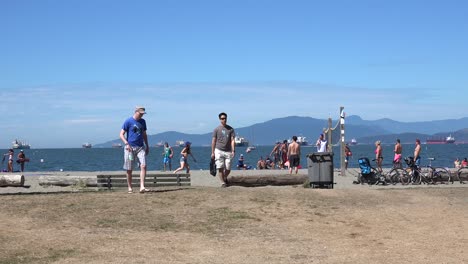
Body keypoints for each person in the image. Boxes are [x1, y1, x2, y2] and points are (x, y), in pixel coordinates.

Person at [119, 106, 150, 194]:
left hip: (141, 147)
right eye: (141, 114)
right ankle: (130, 187)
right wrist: (126, 143)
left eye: (143, 114)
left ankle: (142, 186)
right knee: (129, 169)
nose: (142, 115)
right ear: (136, 112)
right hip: (130, 148)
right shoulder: (128, 121)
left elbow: (144, 134)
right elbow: (121, 134)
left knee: (143, 165)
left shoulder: (143, 122)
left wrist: (147, 145)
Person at [211, 112, 236, 187]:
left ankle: (224, 178)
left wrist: (233, 150)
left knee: (228, 168)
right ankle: (223, 183)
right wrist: (212, 152)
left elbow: (232, 140)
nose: (224, 120)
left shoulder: (231, 129)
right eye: (222, 118)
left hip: (228, 151)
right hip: (218, 150)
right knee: (220, 167)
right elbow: (213, 141)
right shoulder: (216, 129)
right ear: (219, 119)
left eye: (225, 118)